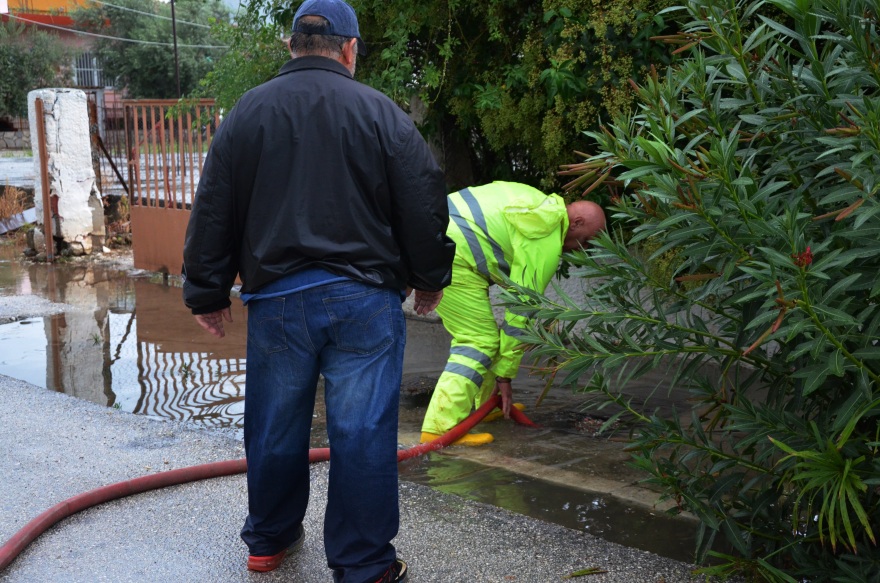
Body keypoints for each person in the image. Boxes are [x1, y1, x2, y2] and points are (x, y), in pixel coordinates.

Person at [181, 0, 454, 581]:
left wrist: (206, 291)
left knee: (275, 423)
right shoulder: (381, 113)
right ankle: (362, 564)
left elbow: (214, 205)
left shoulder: (249, 112)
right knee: (361, 433)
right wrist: (430, 277)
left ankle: (268, 542)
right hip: (364, 302)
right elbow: (424, 199)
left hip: (278, 301)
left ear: (291, 46)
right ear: (350, 49)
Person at [420, 181, 605, 447]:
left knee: (488, 337)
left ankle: (486, 404)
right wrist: (505, 376)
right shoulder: (545, 238)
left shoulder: (537, 202)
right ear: (575, 222)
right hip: (450, 257)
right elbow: (521, 310)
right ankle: (440, 428)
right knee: (477, 341)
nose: (582, 249)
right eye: (587, 240)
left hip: (434, 240)